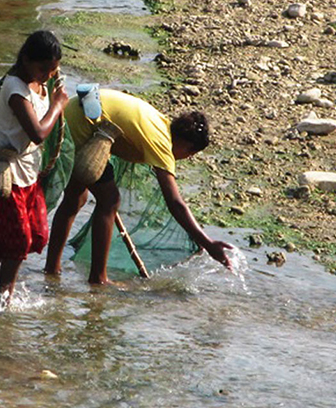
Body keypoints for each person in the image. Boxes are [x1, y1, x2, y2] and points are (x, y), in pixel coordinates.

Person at [44, 88, 233, 285]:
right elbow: (175, 203)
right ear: (186, 145)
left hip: (70, 117)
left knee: (76, 198)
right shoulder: (161, 144)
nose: (188, 157)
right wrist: (208, 243)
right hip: (79, 128)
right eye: (190, 153)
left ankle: (52, 269)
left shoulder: (160, 123)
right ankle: (98, 279)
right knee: (109, 201)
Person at [0, 30, 69, 301]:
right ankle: (4, 300)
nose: (47, 75)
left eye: (52, 69)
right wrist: (57, 106)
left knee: (36, 237)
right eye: (42, 68)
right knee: (17, 244)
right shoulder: (14, 88)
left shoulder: (40, 84)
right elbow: (37, 133)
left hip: (29, 173)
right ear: (25, 59)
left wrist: (51, 97)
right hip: (7, 176)